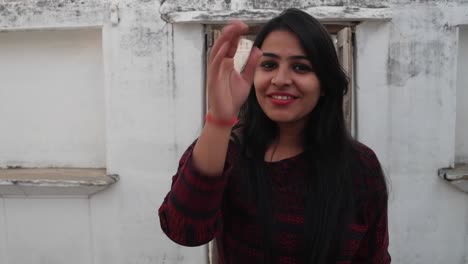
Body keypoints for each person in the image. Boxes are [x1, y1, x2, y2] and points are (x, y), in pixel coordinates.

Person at [158, 8, 390, 264]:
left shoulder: (360, 167)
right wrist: (219, 121)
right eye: (268, 65)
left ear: (324, 84)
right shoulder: (227, 151)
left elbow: (374, 258)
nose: (280, 79)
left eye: (300, 67)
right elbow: (184, 231)